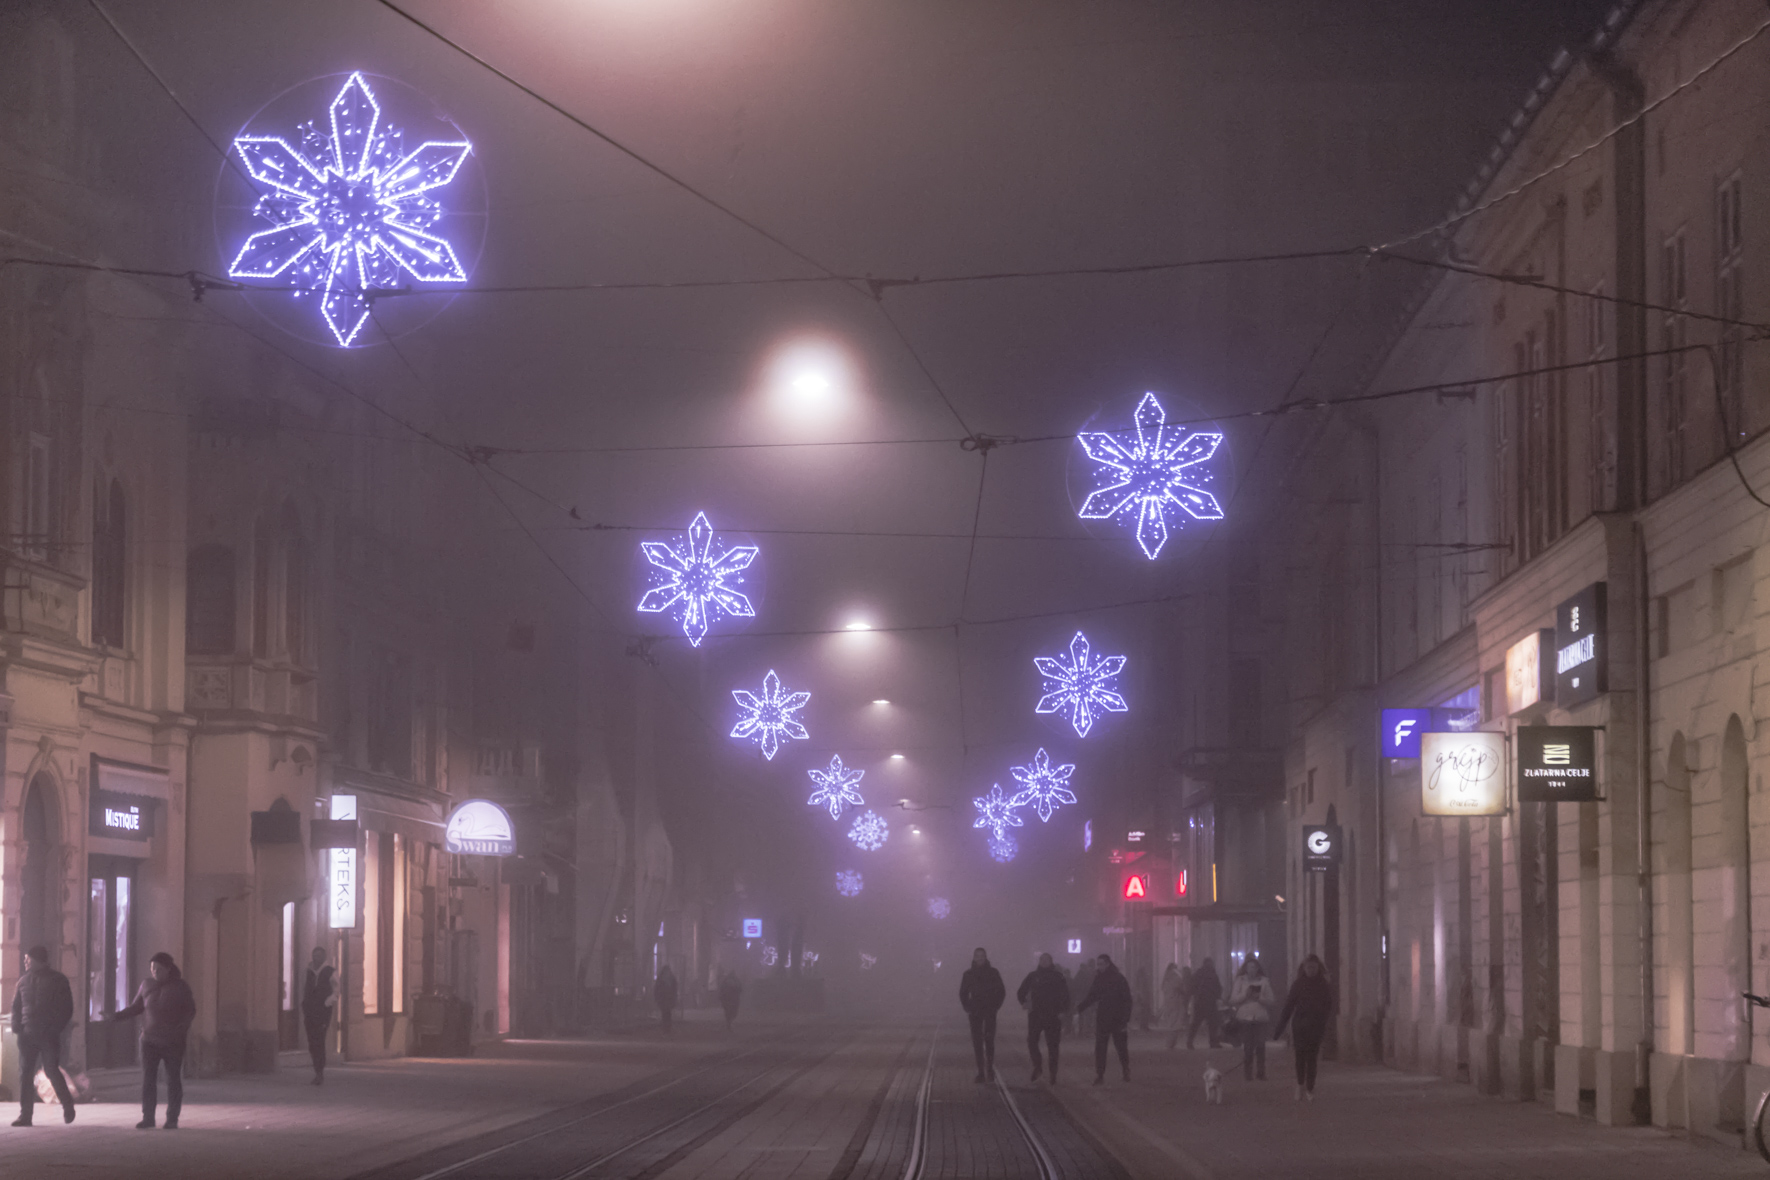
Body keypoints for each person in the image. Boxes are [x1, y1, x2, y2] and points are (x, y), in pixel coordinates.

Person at [112, 951, 197, 1129]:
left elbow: (190, 1011)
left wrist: (180, 1030)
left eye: (159, 969)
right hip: (149, 1040)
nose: (155, 972)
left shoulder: (180, 987)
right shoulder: (146, 985)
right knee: (148, 1080)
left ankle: (172, 1118)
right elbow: (136, 1007)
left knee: (172, 1079)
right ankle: (148, 1117)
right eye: (152, 969)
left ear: (168, 969)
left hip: (172, 1042)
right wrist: (116, 1016)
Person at [9, 945, 76, 1126]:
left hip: (48, 1035)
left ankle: (68, 1105)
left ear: (38, 960)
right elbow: (16, 1007)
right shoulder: (23, 981)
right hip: (27, 1035)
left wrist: (55, 1029)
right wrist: (17, 1027)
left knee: (51, 1070)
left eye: (28, 959)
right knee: (25, 1074)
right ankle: (25, 1115)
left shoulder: (58, 980)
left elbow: (66, 1008)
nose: (25, 962)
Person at [1273, 954, 1335, 1101]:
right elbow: (1289, 1006)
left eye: (1313, 967)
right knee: (1300, 1057)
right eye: (1308, 967)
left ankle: (1310, 1088)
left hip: (1316, 1027)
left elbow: (1328, 1006)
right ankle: (1300, 1084)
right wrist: (1279, 1029)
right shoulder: (1298, 984)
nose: (1311, 970)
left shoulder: (1323, 985)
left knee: (1312, 1058)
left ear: (1318, 968)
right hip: (1300, 1026)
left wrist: (1323, 1022)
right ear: (1304, 968)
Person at [1075, 953, 1133, 1084]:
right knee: (1103, 1048)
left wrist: (1125, 1018)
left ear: (1107, 964)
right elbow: (1092, 996)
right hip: (1107, 1018)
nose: (1098, 967)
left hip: (1116, 1018)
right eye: (1098, 964)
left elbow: (1127, 1000)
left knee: (1119, 1047)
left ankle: (1124, 1070)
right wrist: (1079, 1008)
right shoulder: (1107, 978)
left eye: (1101, 964)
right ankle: (1101, 1074)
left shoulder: (1117, 979)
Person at [1015, 952, 1070, 1083]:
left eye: (1046, 960)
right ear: (1039, 962)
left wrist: (1063, 1010)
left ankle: (1053, 1072)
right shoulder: (1033, 976)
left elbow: (1065, 995)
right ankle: (1038, 1066)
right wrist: (1024, 1002)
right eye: (1042, 960)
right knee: (1032, 1042)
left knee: (1053, 1045)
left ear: (1051, 962)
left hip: (1053, 1015)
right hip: (1036, 1015)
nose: (1044, 962)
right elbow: (1021, 991)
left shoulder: (1058, 977)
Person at [958, 947, 1006, 1083]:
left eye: (982, 955)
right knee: (977, 1041)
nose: (980, 958)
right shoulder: (968, 974)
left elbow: (1001, 991)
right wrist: (967, 1007)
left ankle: (989, 1069)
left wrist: (996, 1006)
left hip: (990, 1010)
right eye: (977, 956)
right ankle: (981, 1072)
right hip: (975, 1011)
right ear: (974, 957)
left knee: (989, 1040)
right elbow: (963, 993)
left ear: (985, 957)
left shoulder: (993, 973)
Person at [1228, 955, 1276, 1082]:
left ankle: (1261, 1073)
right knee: (1248, 1047)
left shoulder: (1264, 981)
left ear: (1258, 969)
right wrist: (1245, 995)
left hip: (1260, 1018)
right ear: (1246, 968)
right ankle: (1248, 1073)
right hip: (1245, 1018)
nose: (1252, 970)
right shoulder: (1240, 981)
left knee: (1260, 1046)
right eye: (1249, 967)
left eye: (1254, 967)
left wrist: (1259, 998)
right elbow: (1233, 1000)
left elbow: (1271, 1000)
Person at [300, 947, 336, 1085]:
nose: (316, 958)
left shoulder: (330, 972)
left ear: (324, 957)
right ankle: (317, 1069)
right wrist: (304, 1003)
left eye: (319, 956)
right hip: (309, 1011)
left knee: (319, 1040)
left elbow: (336, 990)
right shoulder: (308, 971)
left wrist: (327, 1002)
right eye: (314, 955)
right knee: (312, 1041)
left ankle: (319, 1071)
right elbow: (303, 988)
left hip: (323, 1012)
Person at [1187, 957, 1223, 1049]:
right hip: (1210, 1002)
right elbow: (1217, 987)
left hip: (1200, 1002)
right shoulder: (1212, 974)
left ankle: (1190, 1041)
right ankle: (1213, 1042)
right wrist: (1218, 997)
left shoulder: (1198, 973)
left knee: (1196, 1023)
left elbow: (1192, 987)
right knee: (1212, 1024)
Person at [1159, 964, 1184, 1050]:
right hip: (1175, 1001)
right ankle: (1171, 1043)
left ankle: (1170, 1043)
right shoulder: (1175, 976)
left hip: (1168, 1002)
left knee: (1170, 1023)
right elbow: (1180, 987)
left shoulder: (1166, 978)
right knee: (1175, 1023)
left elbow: (1164, 989)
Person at [1070, 957, 1096, 1037]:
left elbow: (1074, 986)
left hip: (1081, 998)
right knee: (1088, 1015)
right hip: (1087, 998)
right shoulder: (1091, 975)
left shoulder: (1080, 975)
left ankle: (1081, 1030)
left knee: (1082, 1015)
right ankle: (1087, 1030)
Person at [655, 965, 679, 1032]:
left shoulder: (671, 980)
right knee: (665, 1013)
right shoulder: (662, 980)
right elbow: (657, 990)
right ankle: (665, 1027)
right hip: (663, 999)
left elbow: (674, 990)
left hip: (668, 999)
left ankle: (667, 1027)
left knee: (668, 1013)